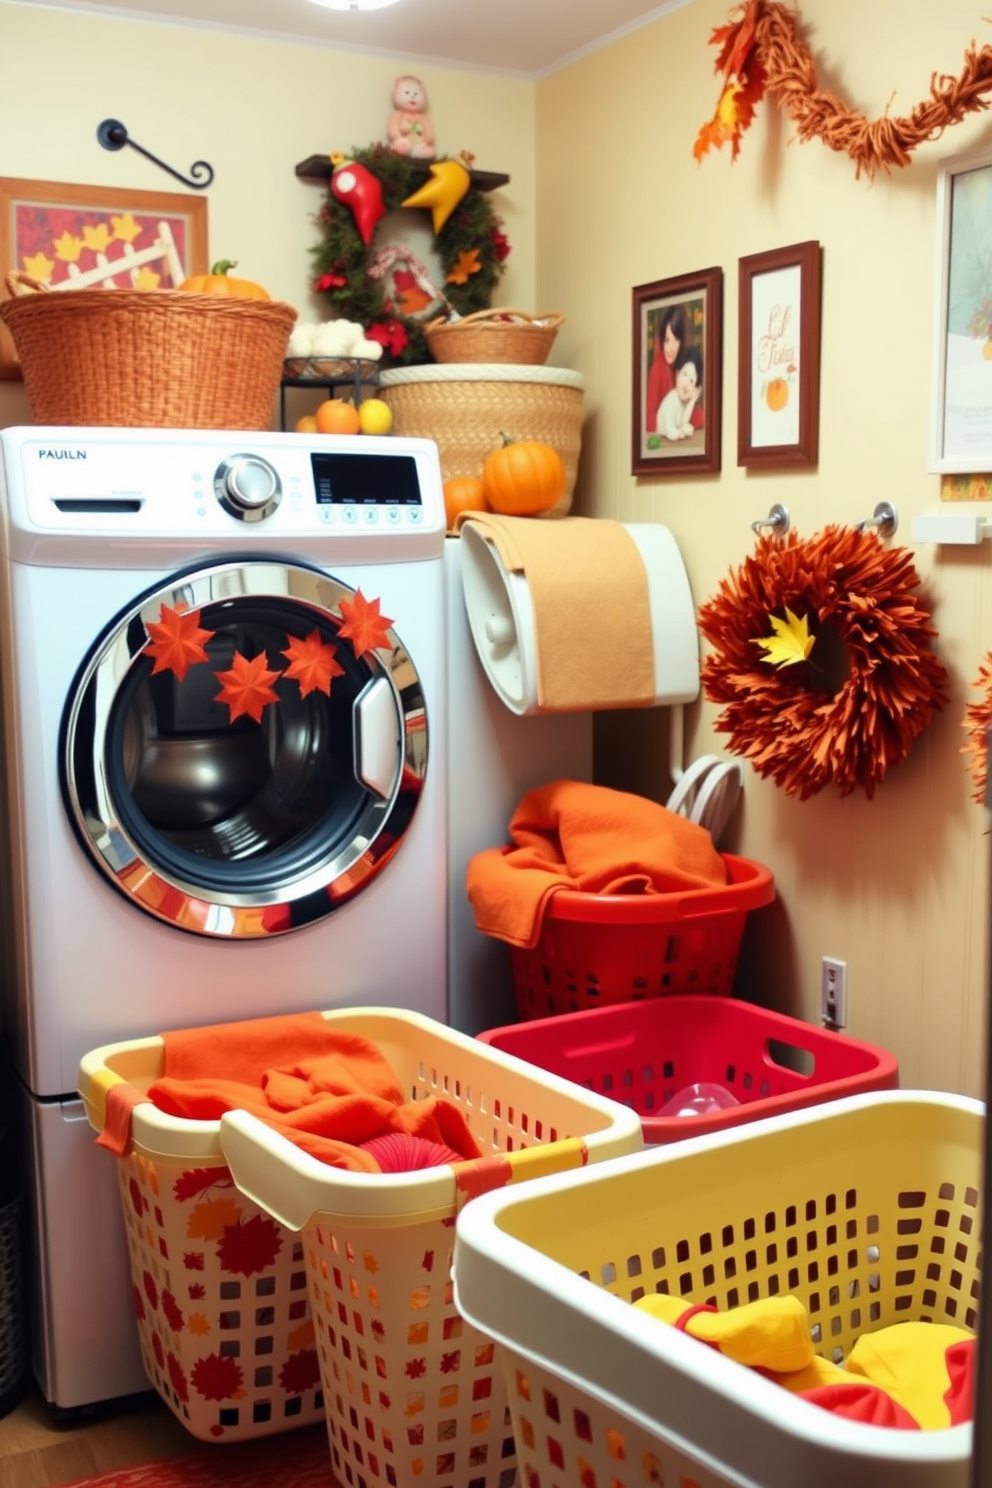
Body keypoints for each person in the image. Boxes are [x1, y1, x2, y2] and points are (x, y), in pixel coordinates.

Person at [645, 303, 704, 433]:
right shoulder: (658, 369)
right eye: (667, 340)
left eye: (676, 340)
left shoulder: (684, 366)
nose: (670, 348)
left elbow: (693, 413)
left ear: (682, 341)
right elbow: (648, 421)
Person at [657, 346, 703, 442]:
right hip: (663, 441)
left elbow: (683, 422)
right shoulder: (671, 400)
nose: (686, 383)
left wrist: (692, 400)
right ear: (677, 374)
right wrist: (681, 432)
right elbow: (670, 431)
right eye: (684, 374)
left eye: (691, 381)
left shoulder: (684, 402)